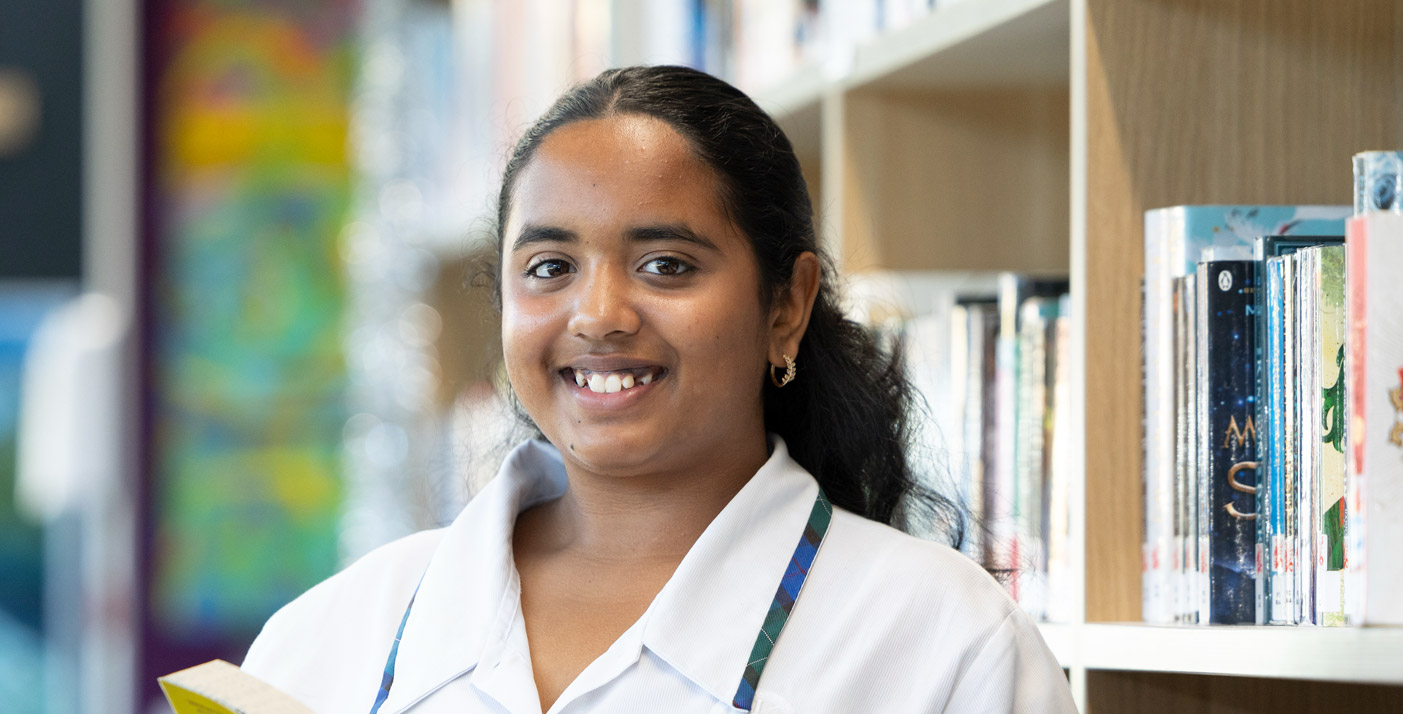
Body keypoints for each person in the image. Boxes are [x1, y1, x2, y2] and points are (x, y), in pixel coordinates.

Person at [242, 65, 1076, 714]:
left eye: (666, 265)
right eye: (549, 268)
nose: (598, 315)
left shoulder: (948, 644)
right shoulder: (331, 635)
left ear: (786, 306)